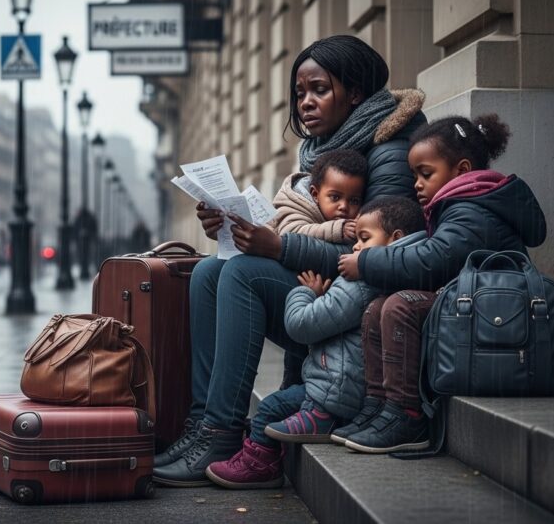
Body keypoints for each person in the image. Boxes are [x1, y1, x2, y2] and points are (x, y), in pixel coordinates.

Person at [152, 35, 427, 487]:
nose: (305, 103)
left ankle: (220, 433)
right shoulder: (323, 152)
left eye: (319, 89)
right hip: (325, 290)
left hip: (361, 308)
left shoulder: (390, 152)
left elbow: (377, 255)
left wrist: (278, 247)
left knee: (241, 274)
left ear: (355, 93)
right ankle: (203, 426)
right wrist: (230, 228)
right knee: (206, 271)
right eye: (300, 93)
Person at [333, 113, 547, 453]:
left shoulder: (472, 209)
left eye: (425, 173)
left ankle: (407, 414)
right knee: (377, 307)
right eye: (414, 174)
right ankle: (378, 405)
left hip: (495, 315)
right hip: (472, 303)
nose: (416, 183)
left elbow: (432, 261)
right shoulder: (460, 204)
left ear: (461, 171)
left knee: (400, 305)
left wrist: (367, 261)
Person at [205, 197, 425, 489]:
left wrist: (304, 293)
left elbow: (301, 326)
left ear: (395, 239)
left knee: (268, 410)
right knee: (277, 407)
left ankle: (259, 465)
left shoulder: (360, 282)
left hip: (333, 394)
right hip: (343, 387)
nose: (355, 248)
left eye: (363, 239)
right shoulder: (392, 276)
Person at [266, 148, 367, 244]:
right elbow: (290, 235)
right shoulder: (296, 205)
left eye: (354, 201)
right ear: (315, 194)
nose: (344, 206)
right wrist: (335, 230)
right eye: (335, 197)